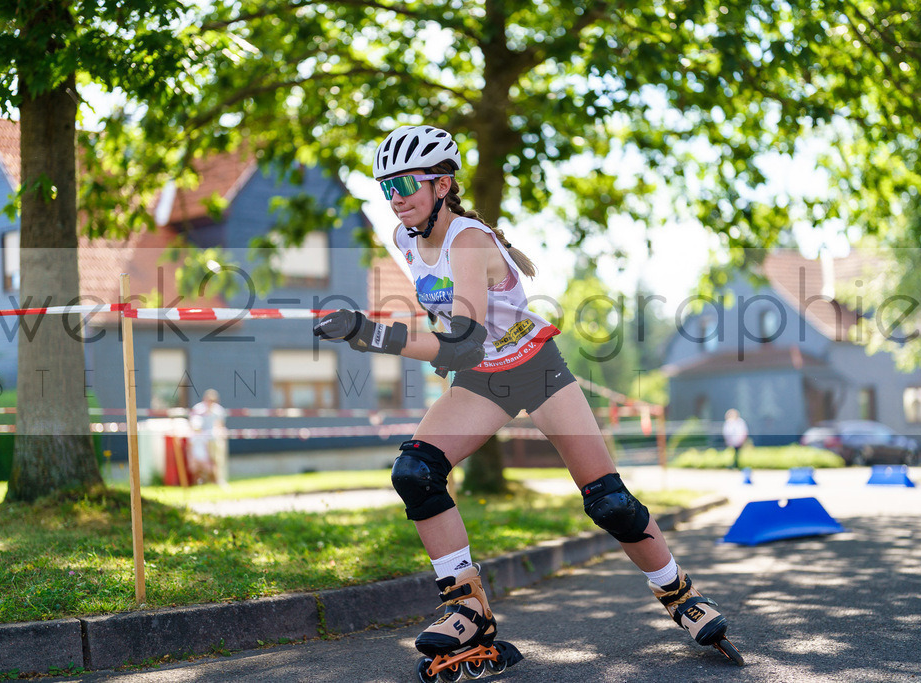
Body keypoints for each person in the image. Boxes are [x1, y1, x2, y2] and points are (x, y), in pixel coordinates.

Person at [314, 125, 739, 675]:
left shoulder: (468, 239)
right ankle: (467, 607)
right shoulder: (404, 238)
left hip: (535, 370)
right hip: (484, 378)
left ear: (442, 185)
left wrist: (372, 333)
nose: (395, 198)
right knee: (415, 472)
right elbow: (452, 322)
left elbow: (464, 341)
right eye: (386, 187)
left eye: (406, 184)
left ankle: (679, 595)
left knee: (609, 502)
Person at [189, 389, 228, 485]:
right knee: (201, 463)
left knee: (216, 461)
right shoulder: (198, 409)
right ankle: (203, 480)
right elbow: (194, 425)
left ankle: (217, 480)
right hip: (200, 441)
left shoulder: (218, 410)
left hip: (213, 439)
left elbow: (220, 425)